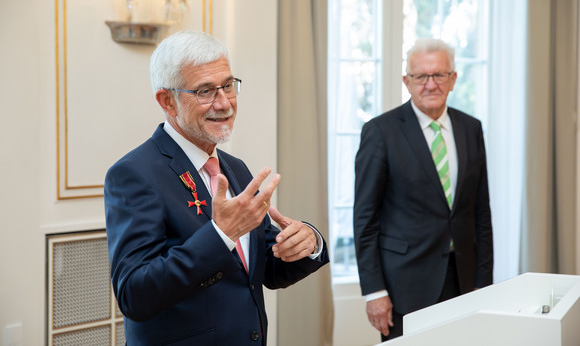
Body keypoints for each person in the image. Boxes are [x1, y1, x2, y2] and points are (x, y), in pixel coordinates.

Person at [105, 30, 329, 345]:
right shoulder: (133, 174)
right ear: (167, 101)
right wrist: (220, 235)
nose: (224, 103)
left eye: (227, 86)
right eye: (206, 91)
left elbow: (264, 270)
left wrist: (307, 242)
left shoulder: (234, 168)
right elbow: (135, 295)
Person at [353, 38, 493, 341]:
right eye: (421, 77)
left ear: (453, 79)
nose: (431, 84)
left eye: (440, 75)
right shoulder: (380, 132)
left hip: (464, 283)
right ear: (407, 81)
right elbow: (365, 220)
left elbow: (480, 211)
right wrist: (374, 291)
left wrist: (484, 280)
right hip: (404, 286)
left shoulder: (471, 129)